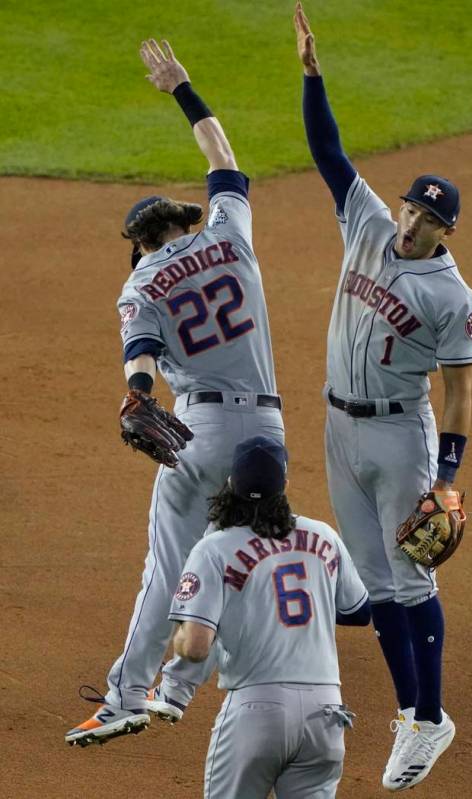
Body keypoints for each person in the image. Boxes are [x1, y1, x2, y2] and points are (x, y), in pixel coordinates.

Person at [65, 39, 285, 747]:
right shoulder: (229, 228)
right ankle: (199, 683)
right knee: (241, 551)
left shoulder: (139, 284)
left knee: (169, 566)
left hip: (203, 433)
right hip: (269, 433)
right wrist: (182, 88)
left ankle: (129, 693)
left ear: (138, 243)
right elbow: (223, 156)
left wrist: (134, 397)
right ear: (180, 221)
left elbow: (141, 361)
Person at [293, 3, 472, 792]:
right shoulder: (368, 224)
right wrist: (313, 76)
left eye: (429, 218)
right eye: (412, 206)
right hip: (337, 425)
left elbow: (459, 389)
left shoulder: (452, 294)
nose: (413, 221)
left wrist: (445, 475)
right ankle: (409, 713)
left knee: (413, 582)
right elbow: (329, 153)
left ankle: (432, 717)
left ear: (444, 232)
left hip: (401, 437)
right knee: (372, 583)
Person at [170, 435, 371, 798]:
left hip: (257, 711)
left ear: (230, 485)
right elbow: (358, 612)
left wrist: (182, 638)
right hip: (325, 714)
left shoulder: (214, 547)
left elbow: (197, 648)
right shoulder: (323, 535)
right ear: (285, 486)